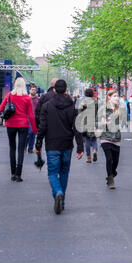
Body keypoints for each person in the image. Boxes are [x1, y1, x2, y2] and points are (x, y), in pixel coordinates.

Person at [35, 80, 84, 215]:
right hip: (67, 144)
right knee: (64, 172)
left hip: (51, 144)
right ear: (66, 90)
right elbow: (76, 128)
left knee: (52, 172)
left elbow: (42, 127)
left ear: (54, 90)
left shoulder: (47, 106)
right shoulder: (72, 107)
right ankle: (61, 202)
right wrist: (80, 147)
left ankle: (58, 192)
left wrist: (38, 144)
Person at [0, 77, 37, 182]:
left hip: (10, 124)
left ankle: (12, 174)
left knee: (12, 148)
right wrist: (34, 129)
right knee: (21, 149)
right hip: (23, 125)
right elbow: (31, 115)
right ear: (25, 86)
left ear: (15, 85)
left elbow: (1, 108)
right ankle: (19, 174)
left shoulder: (9, 95)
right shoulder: (27, 98)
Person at [99, 90, 122, 189]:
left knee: (115, 161)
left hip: (116, 137)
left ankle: (111, 173)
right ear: (109, 97)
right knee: (109, 159)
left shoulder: (119, 109)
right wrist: (103, 122)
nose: (117, 98)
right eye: (114, 96)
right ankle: (111, 180)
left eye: (117, 96)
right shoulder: (103, 109)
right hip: (105, 137)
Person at [79, 88, 98, 163]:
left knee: (87, 140)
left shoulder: (83, 102)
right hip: (93, 122)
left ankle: (89, 158)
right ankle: (94, 150)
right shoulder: (96, 101)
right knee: (94, 139)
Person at [25, 85, 39, 153]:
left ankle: (30, 148)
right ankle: (24, 146)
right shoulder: (26, 98)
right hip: (27, 118)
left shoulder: (38, 99)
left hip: (35, 119)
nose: (34, 91)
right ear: (29, 90)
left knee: (33, 134)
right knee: (29, 133)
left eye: (35, 90)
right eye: (32, 89)